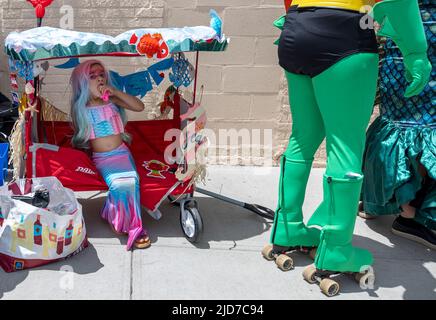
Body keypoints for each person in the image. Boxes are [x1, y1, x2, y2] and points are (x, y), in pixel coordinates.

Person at [263, 0, 431, 294]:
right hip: (345, 34)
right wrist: (416, 52)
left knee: (302, 138)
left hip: (297, 29)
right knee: (345, 145)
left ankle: (287, 227)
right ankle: (338, 249)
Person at [360, 0, 435, 250]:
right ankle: (408, 214)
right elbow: (373, 9)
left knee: (408, 128)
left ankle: (376, 199)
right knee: (411, 128)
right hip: (411, 49)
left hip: (406, 44)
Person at [70, 59, 150, 250]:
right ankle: (122, 220)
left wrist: (115, 93)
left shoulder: (113, 101)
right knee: (120, 183)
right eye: (92, 76)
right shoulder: (80, 109)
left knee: (131, 181)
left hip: (121, 153)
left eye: (101, 75)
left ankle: (125, 221)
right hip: (103, 159)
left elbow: (139, 107)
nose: (99, 79)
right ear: (82, 83)